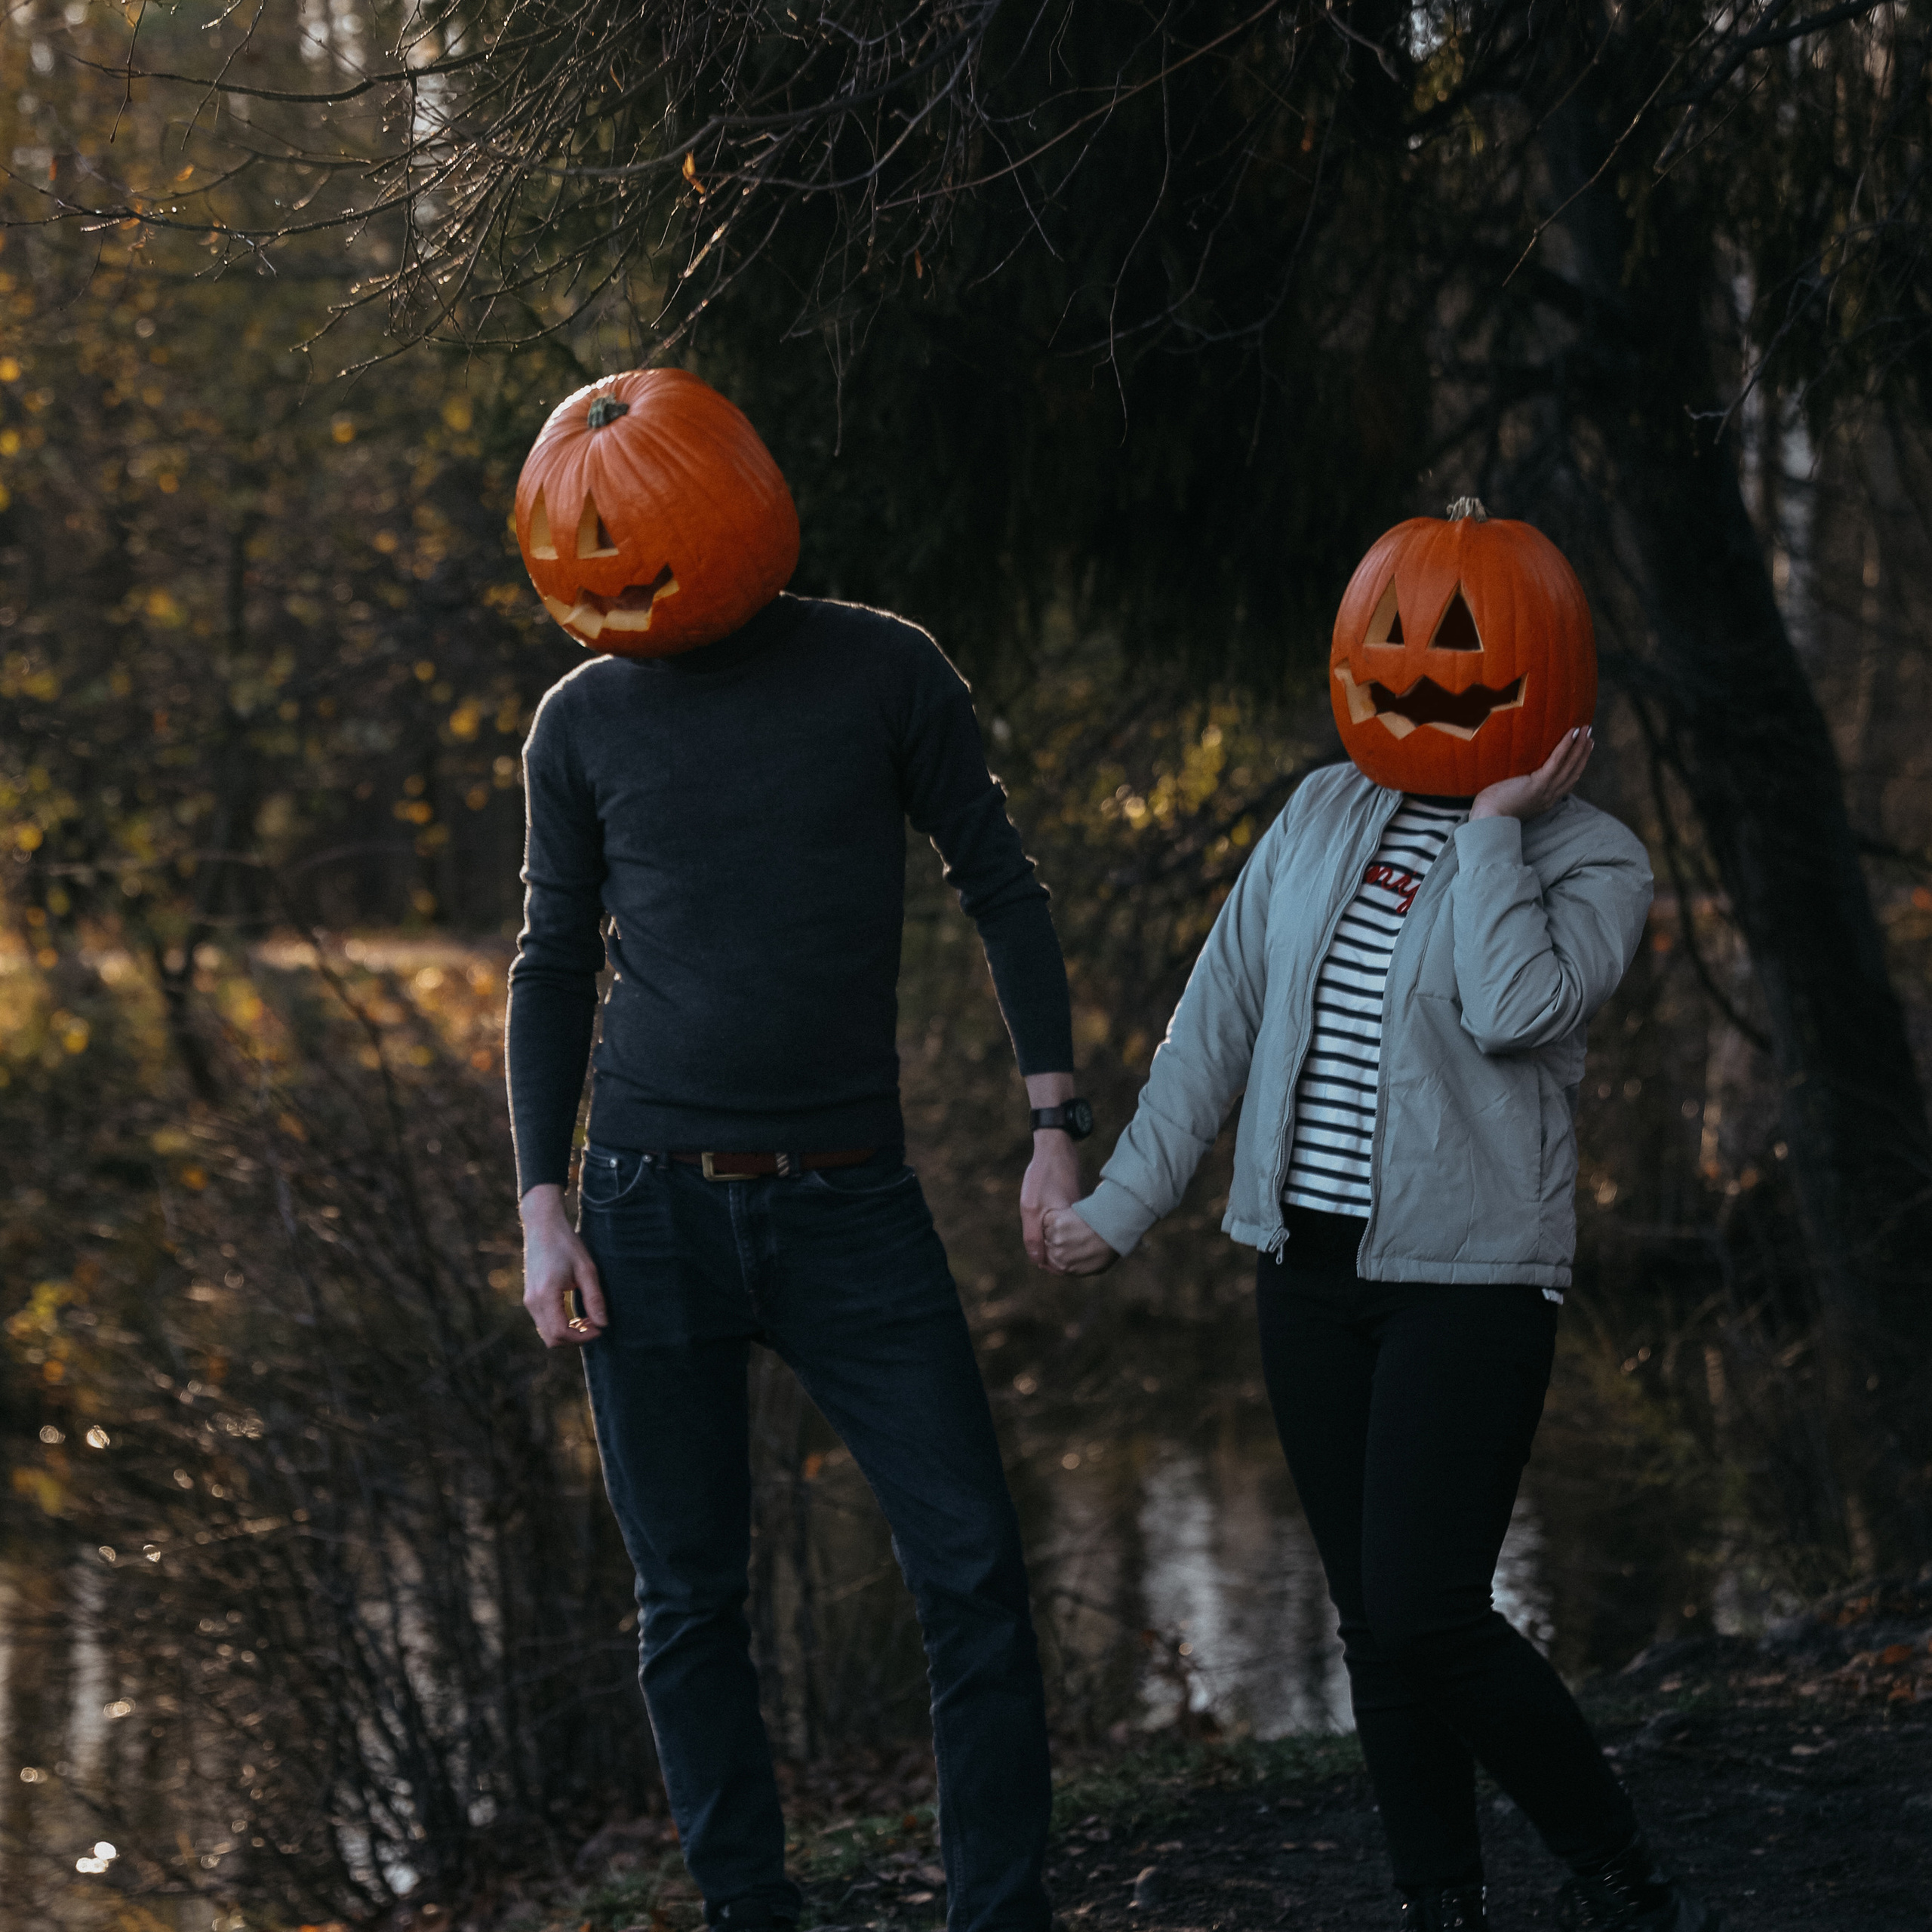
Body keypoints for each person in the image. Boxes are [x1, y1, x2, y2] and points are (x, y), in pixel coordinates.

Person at [507, 412, 1092, 1932]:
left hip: (850, 1198)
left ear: (733, 503)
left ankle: (999, 1911)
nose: (611, 562)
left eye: (640, 520)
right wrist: (542, 1208)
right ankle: (747, 1907)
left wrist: (1052, 1120)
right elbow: (551, 963)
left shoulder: (882, 668)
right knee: (690, 1600)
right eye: (583, 535)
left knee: (970, 1564)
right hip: (642, 1204)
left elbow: (998, 879)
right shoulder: (577, 719)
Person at [1042, 718, 1718, 1932]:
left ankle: (1625, 1886)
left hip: (1470, 1280)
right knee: (1372, 1625)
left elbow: (1519, 1010)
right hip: (1304, 1269)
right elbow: (1217, 1020)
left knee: (1430, 1613)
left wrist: (1497, 826)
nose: (1439, 684)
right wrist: (1124, 1206)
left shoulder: (1594, 857)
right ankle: (1440, 1906)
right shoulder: (1319, 811)